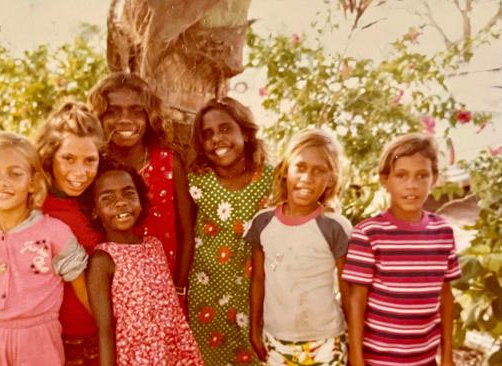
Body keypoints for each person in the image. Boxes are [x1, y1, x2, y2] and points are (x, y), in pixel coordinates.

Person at [0, 132, 89, 366]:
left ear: (32, 182)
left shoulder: (54, 233)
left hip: (39, 343)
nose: (2, 181)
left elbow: (86, 296)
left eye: (15, 173)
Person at [342, 133, 461, 366]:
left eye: (422, 176)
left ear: (434, 178)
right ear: (385, 180)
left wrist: (447, 355)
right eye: (401, 175)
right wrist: (356, 358)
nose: (412, 185)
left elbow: (446, 297)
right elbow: (357, 301)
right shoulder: (369, 233)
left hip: (424, 359)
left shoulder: (443, 232)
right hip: (376, 360)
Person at [246, 129, 352, 365]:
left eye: (319, 171)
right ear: (285, 171)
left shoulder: (335, 227)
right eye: (300, 167)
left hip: (326, 341)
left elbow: (347, 290)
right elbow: (258, 280)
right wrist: (254, 328)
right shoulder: (263, 223)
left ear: (330, 179)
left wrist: (354, 340)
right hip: (276, 340)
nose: (307, 178)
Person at [87, 73, 194, 298]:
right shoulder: (93, 167)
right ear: (98, 118)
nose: (125, 119)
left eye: (136, 111)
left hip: (164, 292)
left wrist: (178, 290)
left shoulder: (168, 163)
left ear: (149, 117)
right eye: (113, 111)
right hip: (110, 294)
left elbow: (186, 233)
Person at [86, 160, 203, 366]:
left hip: (171, 351)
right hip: (138, 358)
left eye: (128, 193)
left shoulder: (154, 245)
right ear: (95, 210)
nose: (120, 202)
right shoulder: (103, 260)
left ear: (141, 201)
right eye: (108, 198)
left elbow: (170, 310)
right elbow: (104, 332)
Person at [187, 97, 273, 365]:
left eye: (225, 129)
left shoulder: (269, 179)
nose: (217, 139)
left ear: (246, 133)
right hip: (206, 298)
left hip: (256, 296)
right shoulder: (197, 181)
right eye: (208, 134)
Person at [36, 101, 105, 365]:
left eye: (90, 161)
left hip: (98, 339)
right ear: (49, 155)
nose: (80, 172)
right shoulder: (33, 206)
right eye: (68, 159)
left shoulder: (100, 202)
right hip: (49, 343)